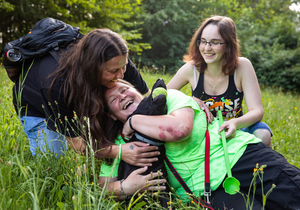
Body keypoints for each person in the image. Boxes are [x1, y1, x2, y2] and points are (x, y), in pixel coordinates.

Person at [98, 79, 300, 210]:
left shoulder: (171, 98)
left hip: (241, 156)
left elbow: (178, 129)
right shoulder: (119, 143)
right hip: (207, 191)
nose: (123, 96)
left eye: (125, 89)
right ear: (110, 114)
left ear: (137, 90)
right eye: (114, 99)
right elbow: (103, 187)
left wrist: (134, 121)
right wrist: (126, 187)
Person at [13, 29, 160, 167]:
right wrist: (119, 151)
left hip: (80, 87)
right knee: (52, 160)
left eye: (124, 67)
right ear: (92, 67)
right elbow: (78, 144)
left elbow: (148, 100)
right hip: (35, 105)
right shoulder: (56, 84)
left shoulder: (117, 59)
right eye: (114, 71)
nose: (121, 75)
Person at [167, 15, 272, 148]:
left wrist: (235, 123)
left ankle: (264, 167)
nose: (207, 48)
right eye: (203, 41)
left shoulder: (242, 66)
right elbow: (162, 96)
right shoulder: (191, 69)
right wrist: (189, 100)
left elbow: (257, 111)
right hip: (206, 133)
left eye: (215, 42)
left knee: (263, 134)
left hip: (239, 129)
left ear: (228, 45)